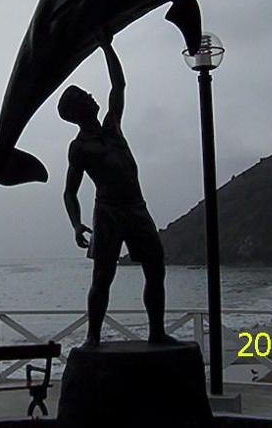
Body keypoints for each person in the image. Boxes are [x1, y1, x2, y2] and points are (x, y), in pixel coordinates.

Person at [58, 35, 177, 347]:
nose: (91, 96)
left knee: (156, 266)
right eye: (85, 95)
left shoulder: (112, 126)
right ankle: (93, 337)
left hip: (136, 207)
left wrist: (106, 46)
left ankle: (156, 332)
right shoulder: (80, 147)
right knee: (103, 276)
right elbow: (69, 191)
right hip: (108, 212)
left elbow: (119, 87)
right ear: (78, 109)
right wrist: (76, 223)